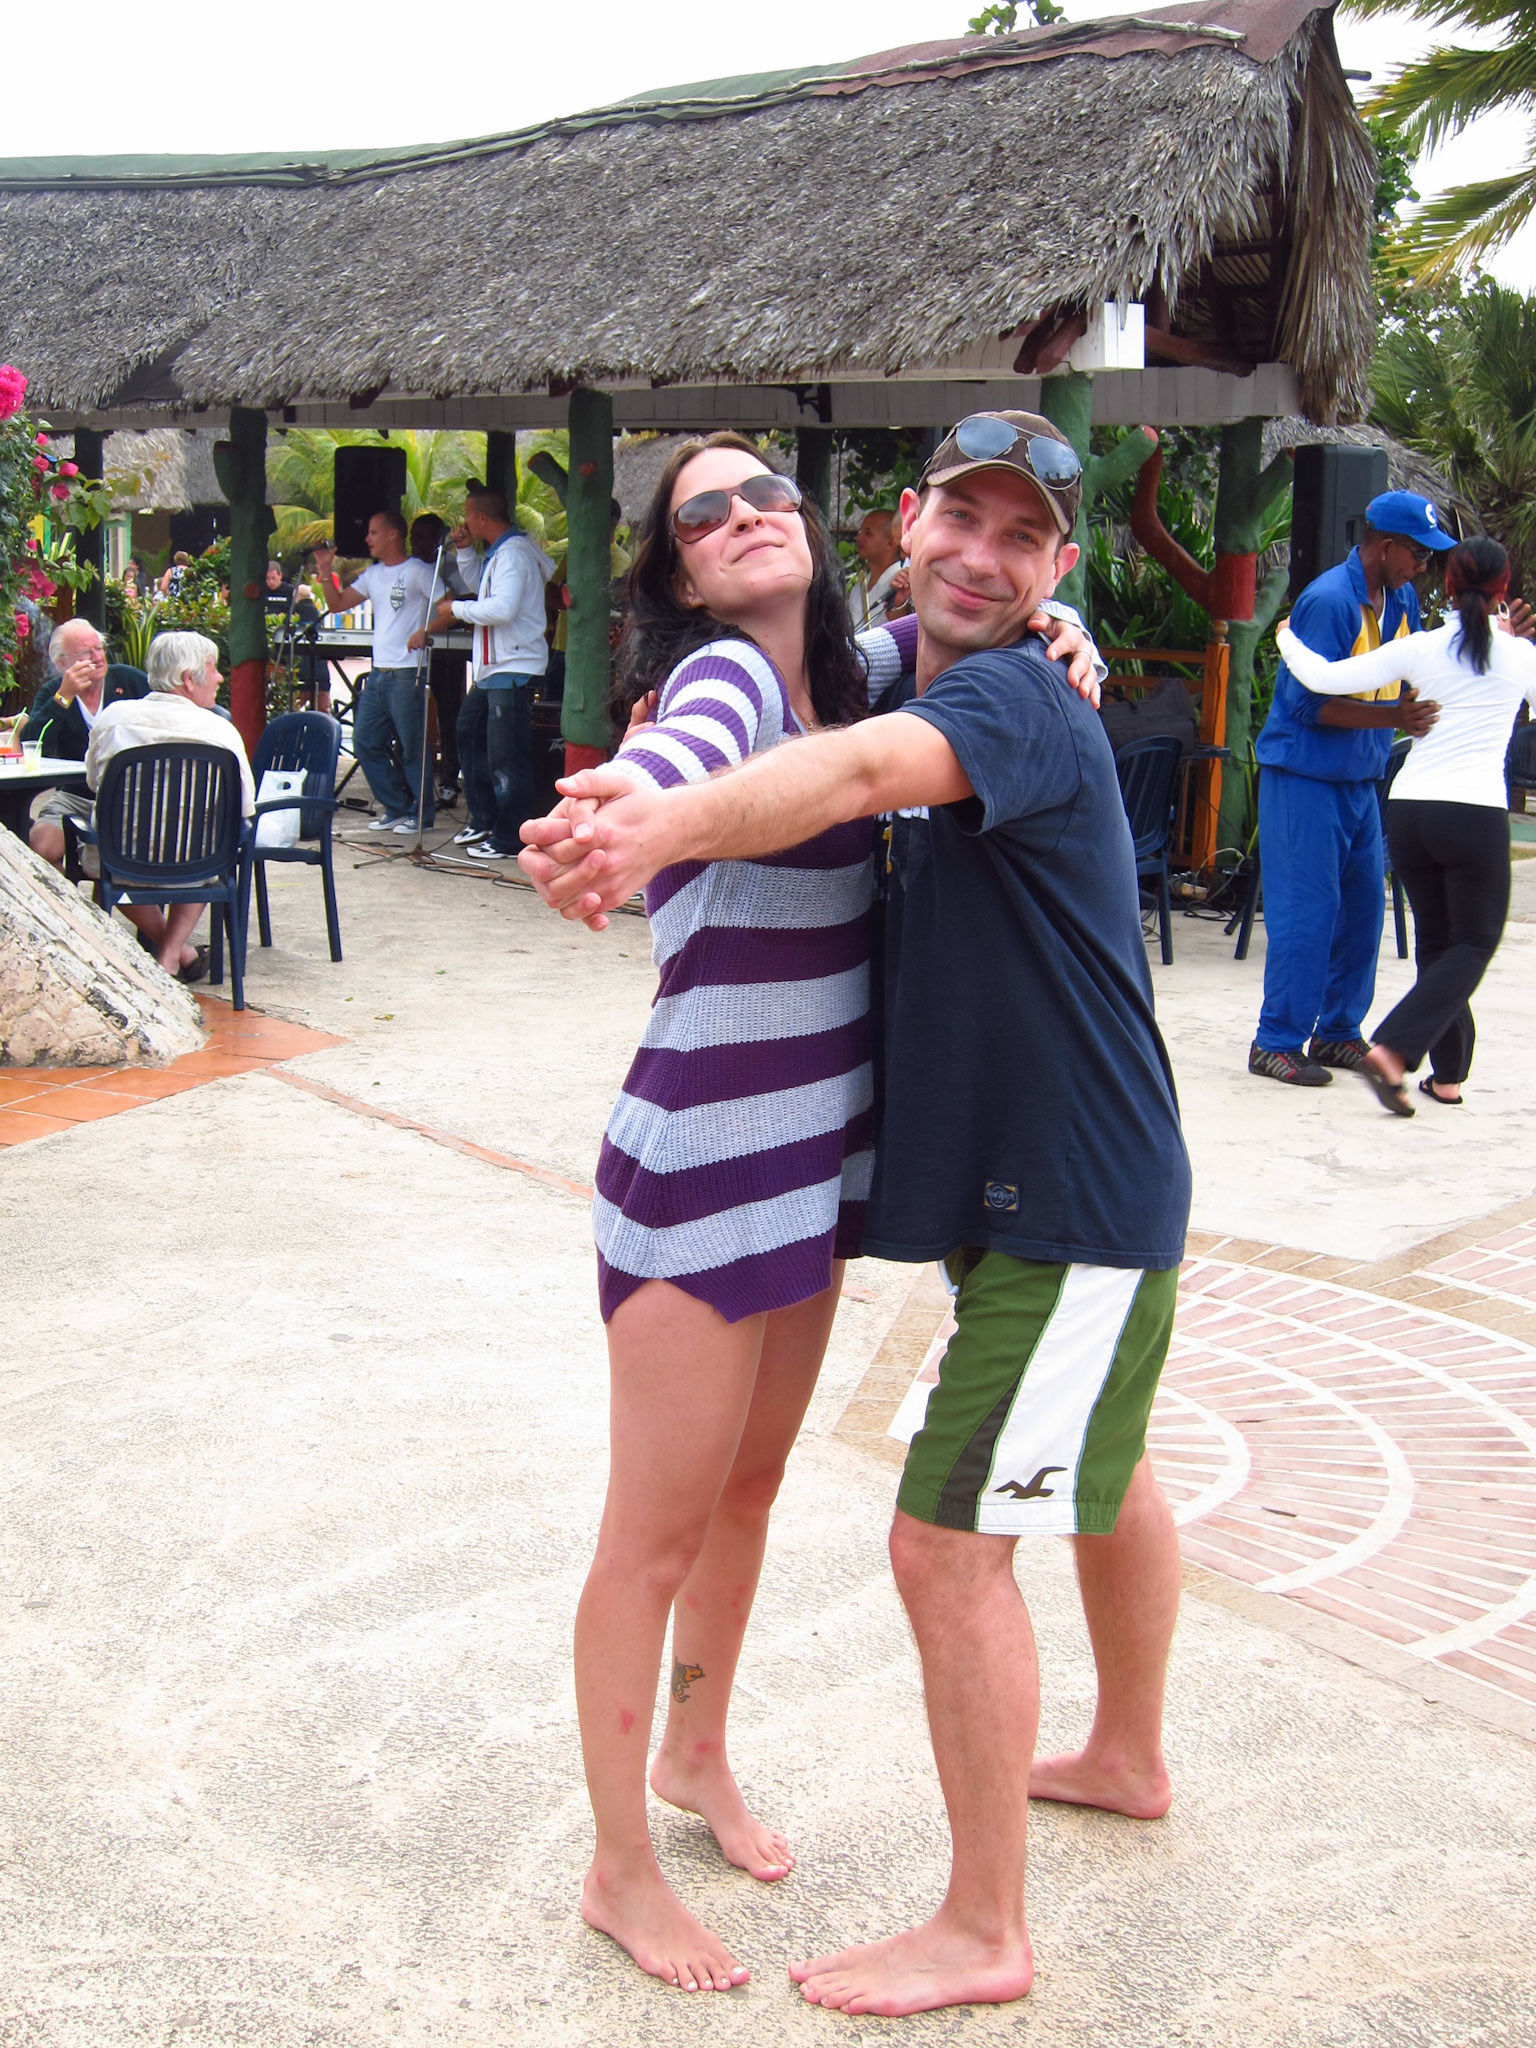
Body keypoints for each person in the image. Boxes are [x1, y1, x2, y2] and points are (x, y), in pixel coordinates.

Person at [521, 411, 1186, 2017]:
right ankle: (625, 1853)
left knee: (803, 1511)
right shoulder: (738, 683)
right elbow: (704, 752)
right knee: (665, 1529)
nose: (746, 517)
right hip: (710, 1174)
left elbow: (876, 753)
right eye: (704, 516)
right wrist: (647, 809)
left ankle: (774, 1786)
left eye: (764, 492)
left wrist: (1055, 632)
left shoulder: (902, 678)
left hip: (871, 1180)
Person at [1276, 534, 1536, 1113]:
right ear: (1504, 591)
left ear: (1445, 584)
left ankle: (1447, 1077)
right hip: (1474, 813)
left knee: (1442, 944)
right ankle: (1393, 1050)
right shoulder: (1520, 654)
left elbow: (1322, 678)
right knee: (1473, 943)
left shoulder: (1421, 647)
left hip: (1412, 809)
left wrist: (1287, 637)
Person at [1248, 492, 1449, 1089]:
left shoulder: (1404, 596)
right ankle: (1275, 1042)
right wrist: (1396, 720)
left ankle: (1336, 1032)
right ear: (1384, 547)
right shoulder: (1329, 601)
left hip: (1361, 782)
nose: (1423, 565)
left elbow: (1411, 667)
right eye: (1417, 553)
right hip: (1304, 781)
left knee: (1363, 913)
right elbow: (1311, 707)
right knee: (1307, 915)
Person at [83, 630, 256, 978]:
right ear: (189, 679)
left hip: (122, 857)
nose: (220, 677)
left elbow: (92, 781)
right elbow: (245, 807)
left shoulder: (114, 719)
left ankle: (173, 952)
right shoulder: (221, 732)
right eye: (214, 668)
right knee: (211, 840)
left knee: (99, 855)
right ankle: (172, 954)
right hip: (198, 862)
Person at [424, 483, 553, 859]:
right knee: (467, 734)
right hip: (495, 668)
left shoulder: (513, 555)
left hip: (512, 666)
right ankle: (485, 819)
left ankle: (510, 837)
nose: (463, 523)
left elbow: (501, 608)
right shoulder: (503, 553)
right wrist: (465, 551)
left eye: (467, 516)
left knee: (506, 757)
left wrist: (455, 610)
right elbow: (481, 586)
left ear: (481, 517)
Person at [313, 511, 438, 834]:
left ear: (393, 535)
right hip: (380, 672)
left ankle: (421, 813)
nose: (367, 539)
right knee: (366, 739)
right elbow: (338, 604)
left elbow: (448, 604)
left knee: (412, 746)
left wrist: (426, 629)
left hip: (408, 671)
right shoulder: (373, 575)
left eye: (373, 532)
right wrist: (325, 570)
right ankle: (396, 806)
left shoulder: (419, 571)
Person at [24, 619, 150, 869]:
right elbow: (34, 745)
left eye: (99, 648)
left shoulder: (130, 681)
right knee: (42, 846)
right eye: (85, 652)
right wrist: (64, 698)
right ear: (62, 663)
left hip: (128, 799)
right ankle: (61, 905)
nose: (97, 657)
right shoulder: (54, 692)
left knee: (119, 861)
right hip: (75, 795)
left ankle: (100, 905)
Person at [408, 512, 473, 805]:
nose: (415, 543)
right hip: (414, 651)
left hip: (447, 647)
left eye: (421, 536)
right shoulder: (407, 568)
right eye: (413, 537)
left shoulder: (448, 565)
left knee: (449, 714)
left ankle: (449, 780)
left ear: (438, 538)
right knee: (412, 713)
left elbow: (467, 599)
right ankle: (410, 779)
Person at [846, 507, 904, 629]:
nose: (859, 538)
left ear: (891, 542)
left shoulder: (903, 584)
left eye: (868, 533)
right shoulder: (858, 588)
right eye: (860, 532)